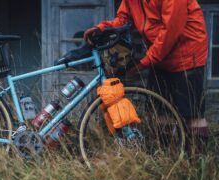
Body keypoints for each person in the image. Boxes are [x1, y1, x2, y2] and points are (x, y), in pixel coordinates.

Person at [84, 0, 209, 149]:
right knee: (160, 112)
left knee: (191, 115)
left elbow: (170, 31)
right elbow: (123, 19)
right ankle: (167, 159)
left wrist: (144, 63)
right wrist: (101, 28)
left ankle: (194, 163)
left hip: (187, 56)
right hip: (159, 57)